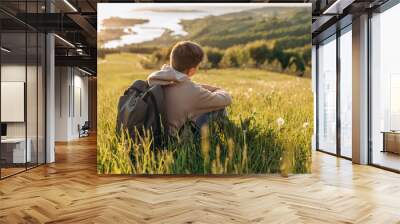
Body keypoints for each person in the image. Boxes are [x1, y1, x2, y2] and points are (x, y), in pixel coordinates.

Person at [147, 41, 232, 134]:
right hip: (174, 142)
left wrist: (196, 86)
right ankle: (230, 133)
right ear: (192, 70)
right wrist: (218, 89)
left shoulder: (156, 80)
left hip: (151, 136)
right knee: (219, 108)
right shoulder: (192, 92)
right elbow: (226, 99)